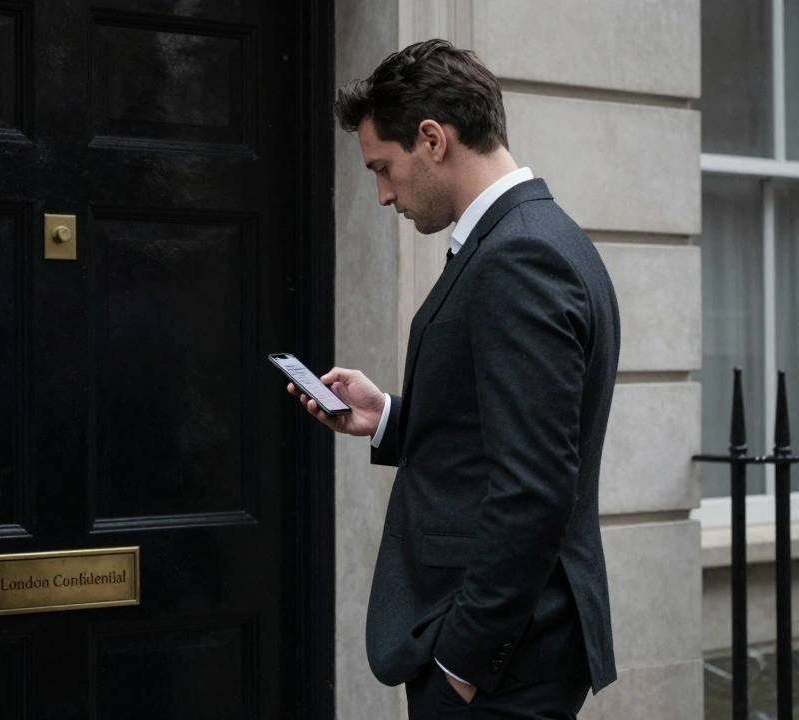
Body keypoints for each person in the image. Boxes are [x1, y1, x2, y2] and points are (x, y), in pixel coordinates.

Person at [291, 39, 619, 718]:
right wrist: (386, 416)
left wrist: (461, 665)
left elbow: (533, 488)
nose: (382, 195)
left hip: (500, 664)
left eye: (383, 168)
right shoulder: (536, 238)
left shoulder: (519, 256)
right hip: (509, 652)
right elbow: (500, 435)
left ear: (432, 140)